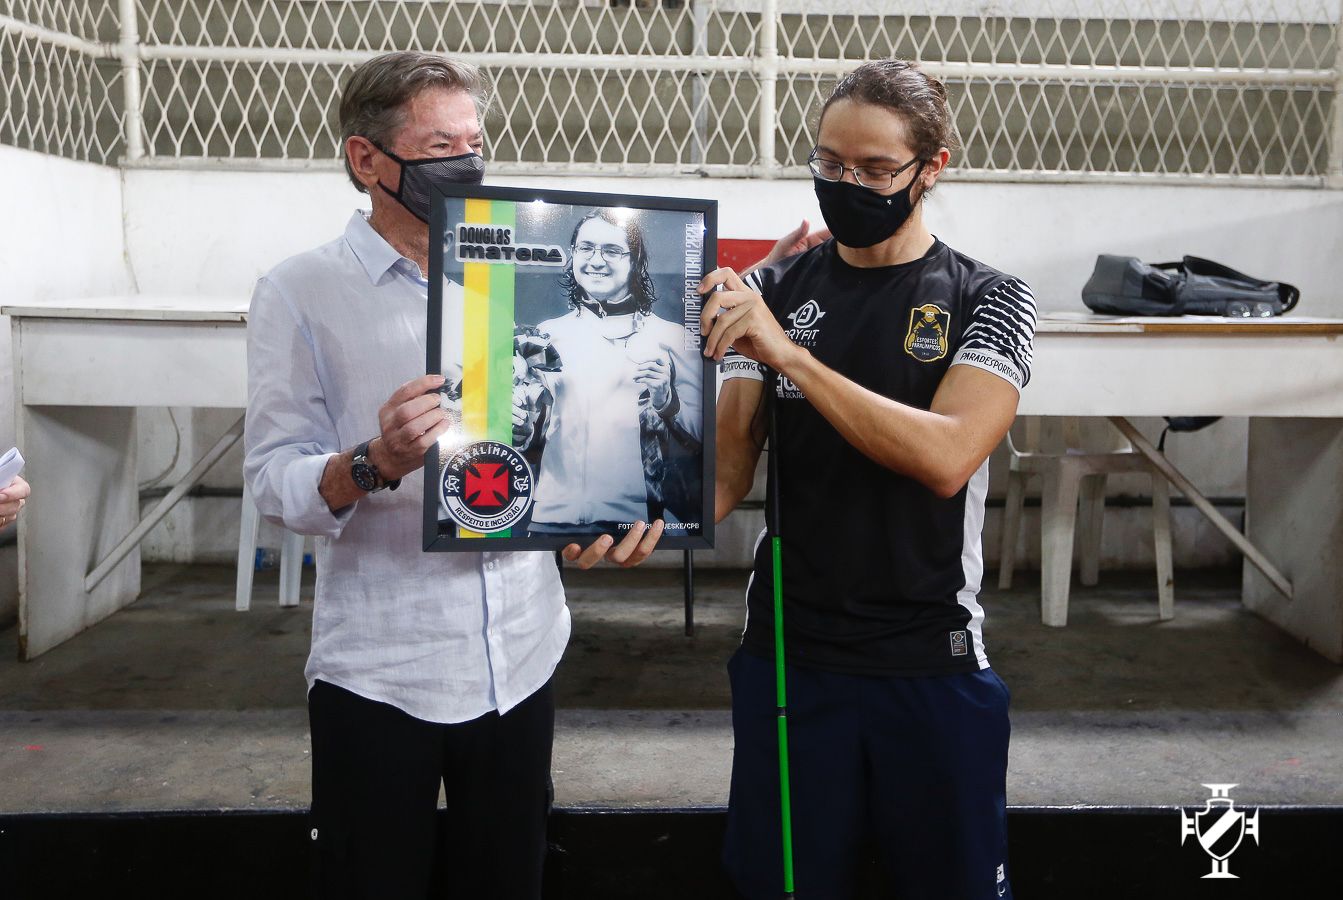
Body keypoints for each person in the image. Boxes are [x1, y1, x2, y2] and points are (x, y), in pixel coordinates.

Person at [243, 51, 664, 900]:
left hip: (520, 651)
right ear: (367, 159)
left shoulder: (518, 273)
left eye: (475, 144)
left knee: (507, 879)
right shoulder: (301, 292)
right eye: (441, 148)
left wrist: (591, 513)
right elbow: (272, 480)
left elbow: (564, 440)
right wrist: (372, 462)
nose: (467, 165)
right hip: (382, 668)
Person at [700, 59, 1037, 900]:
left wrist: (789, 356)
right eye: (829, 163)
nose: (846, 185)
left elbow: (946, 456)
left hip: (930, 658)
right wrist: (598, 516)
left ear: (931, 168)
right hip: (790, 658)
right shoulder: (770, 290)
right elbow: (722, 476)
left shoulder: (990, 299)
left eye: (875, 169)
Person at [519, 209, 703, 534]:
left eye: (612, 251)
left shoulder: (671, 338)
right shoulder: (546, 335)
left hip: (635, 522)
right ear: (573, 255)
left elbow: (704, 436)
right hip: (550, 518)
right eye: (586, 248)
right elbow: (529, 437)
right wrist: (520, 424)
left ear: (635, 261)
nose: (596, 261)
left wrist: (667, 401)